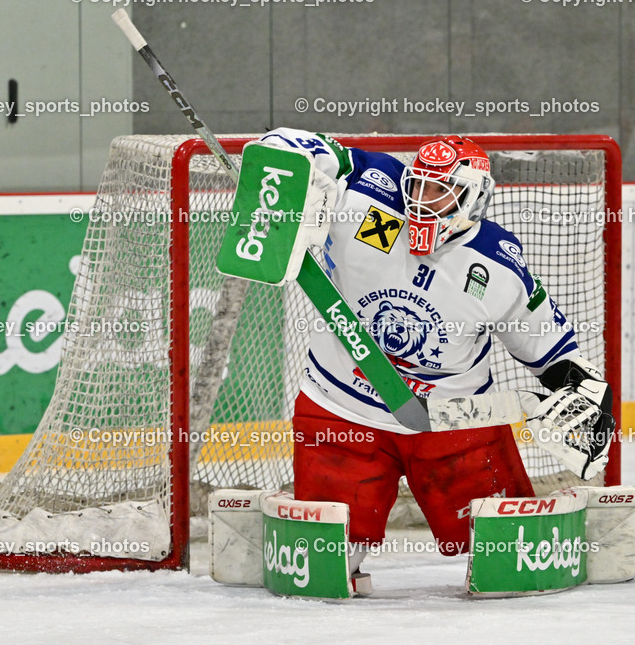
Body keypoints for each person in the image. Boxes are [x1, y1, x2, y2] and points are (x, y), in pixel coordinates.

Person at [255, 128, 612, 586]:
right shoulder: (370, 193)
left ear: (474, 198)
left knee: (508, 558)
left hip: (453, 422)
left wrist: (581, 392)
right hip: (341, 409)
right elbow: (306, 148)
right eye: (419, 186)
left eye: (441, 191)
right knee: (326, 565)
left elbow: (550, 348)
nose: (423, 202)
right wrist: (277, 165)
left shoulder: (498, 266)